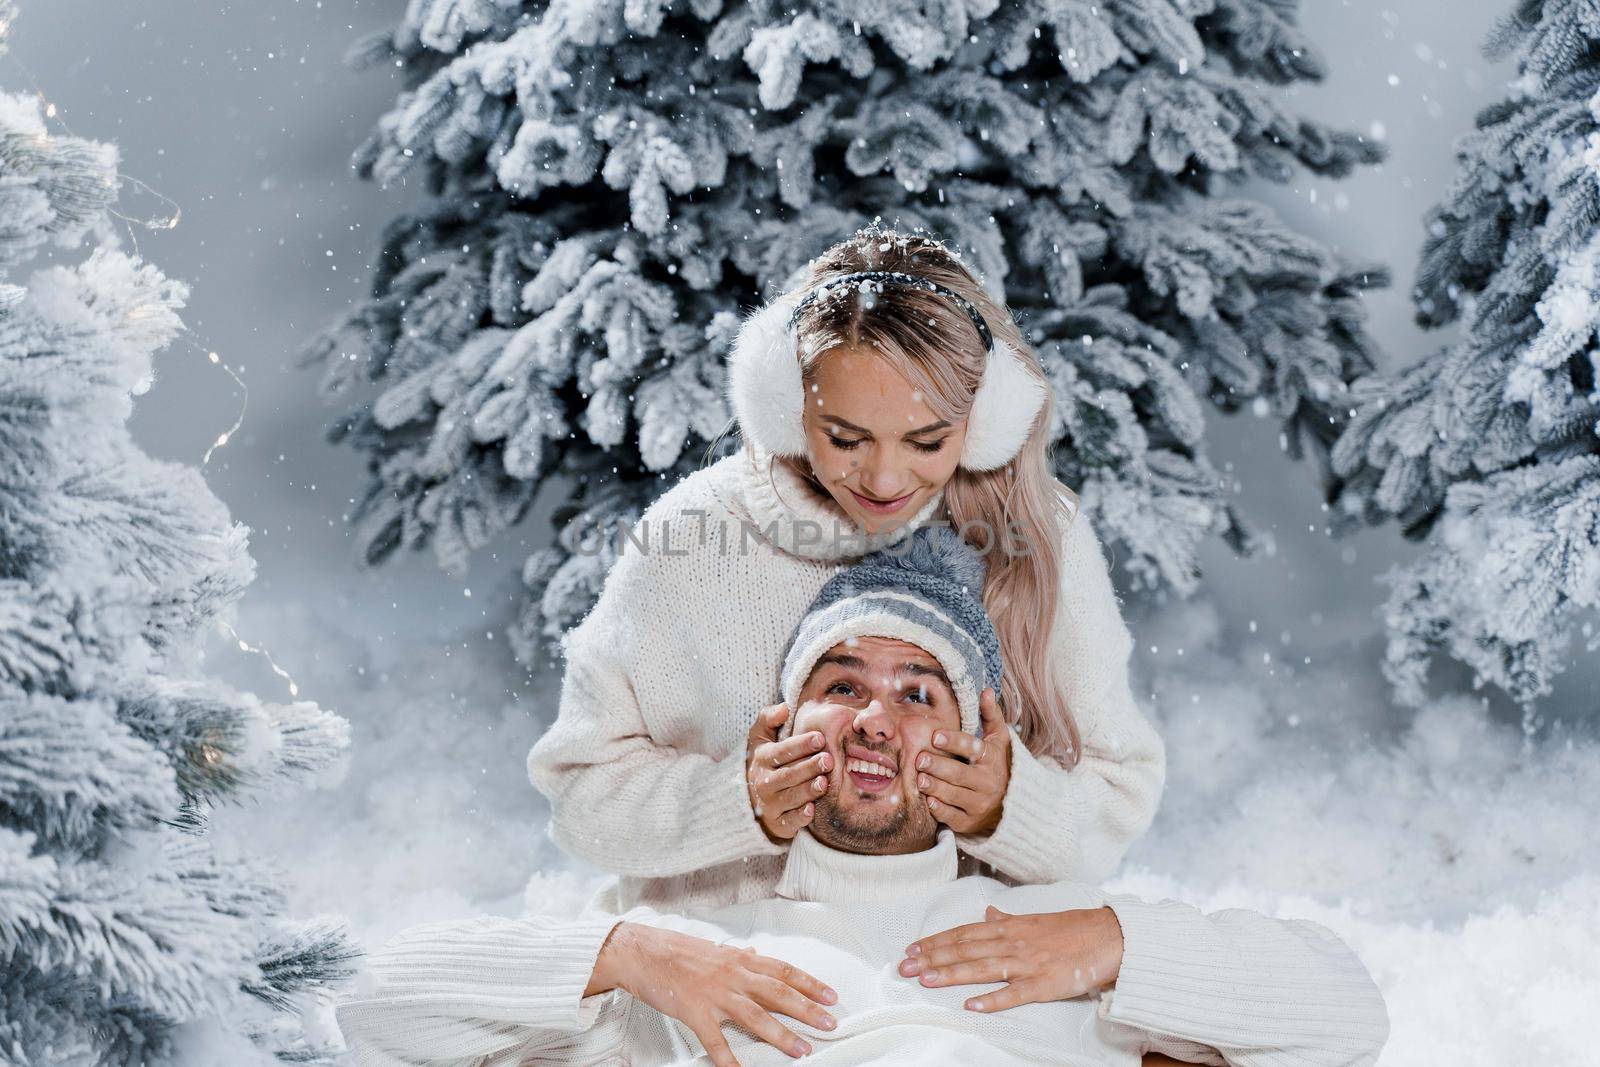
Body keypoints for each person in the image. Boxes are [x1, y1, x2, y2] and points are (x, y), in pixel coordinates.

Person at [337, 530, 1388, 1067]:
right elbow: (374, 1003)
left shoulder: (1040, 933)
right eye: (840, 685)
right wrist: (626, 954)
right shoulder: (696, 951)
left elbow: (1348, 1014)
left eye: (917, 692)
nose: (875, 719)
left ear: (982, 742)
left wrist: (1116, 946)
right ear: (779, 731)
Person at [526, 226, 1166, 915]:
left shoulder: (1041, 536)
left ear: (986, 421)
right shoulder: (690, 538)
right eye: (845, 438)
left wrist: (1013, 808)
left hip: (947, 984)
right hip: (727, 977)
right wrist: (730, 802)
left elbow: (1118, 788)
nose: (886, 478)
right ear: (785, 405)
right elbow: (578, 794)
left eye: (926, 441)